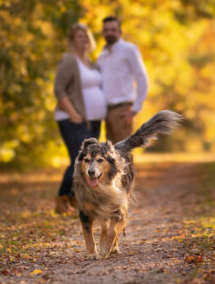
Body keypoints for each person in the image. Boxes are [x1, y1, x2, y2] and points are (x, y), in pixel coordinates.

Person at [53, 24, 107, 214]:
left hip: (93, 120)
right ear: (72, 40)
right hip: (72, 119)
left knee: (88, 161)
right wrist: (73, 113)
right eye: (79, 36)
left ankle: (76, 199)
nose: (83, 39)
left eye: (86, 36)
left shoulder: (90, 62)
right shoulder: (69, 61)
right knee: (79, 159)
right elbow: (59, 90)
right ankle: (62, 200)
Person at [97, 16, 149, 144]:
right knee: (111, 156)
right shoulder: (102, 56)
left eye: (113, 30)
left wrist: (135, 109)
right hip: (106, 112)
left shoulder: (129, 50)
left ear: (120, 32)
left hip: (123, 111)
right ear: (103, 33)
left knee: (123, 155)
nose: (110, 33)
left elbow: (142, 79)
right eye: (106, 30)